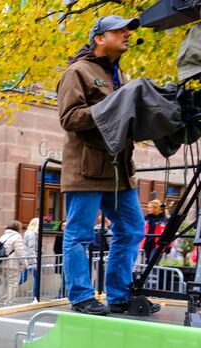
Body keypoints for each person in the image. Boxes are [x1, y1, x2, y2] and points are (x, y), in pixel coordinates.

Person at [57, 14, 158, 316]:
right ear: (99, 38)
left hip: (118, 171)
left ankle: (118, 295)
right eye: (120, 30)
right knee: (79, 234)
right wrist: (114, 107)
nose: (128, 34)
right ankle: (81, 296)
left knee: (132, 229)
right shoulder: (77, 71)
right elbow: (70, 118)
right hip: (86, 170)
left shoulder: (117, 75)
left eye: (129, 30)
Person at [0, 221, 26, 306]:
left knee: (3, 282)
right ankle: (9, 303)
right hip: (12, 264)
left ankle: (2, 301)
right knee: (12, 283)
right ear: (17, 228)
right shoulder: (17, 236)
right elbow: (20, 252)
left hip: (1, 263)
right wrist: (25, 265)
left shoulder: (3, 236)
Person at [22, 218, 40, 299]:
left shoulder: (30, 233)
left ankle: (35, 296)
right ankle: (35, 297)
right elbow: (31, 248)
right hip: (31, 259)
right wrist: (35, 262)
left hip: (29, 258)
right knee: (24, 277)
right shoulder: (32, 234)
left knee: (33, 277)